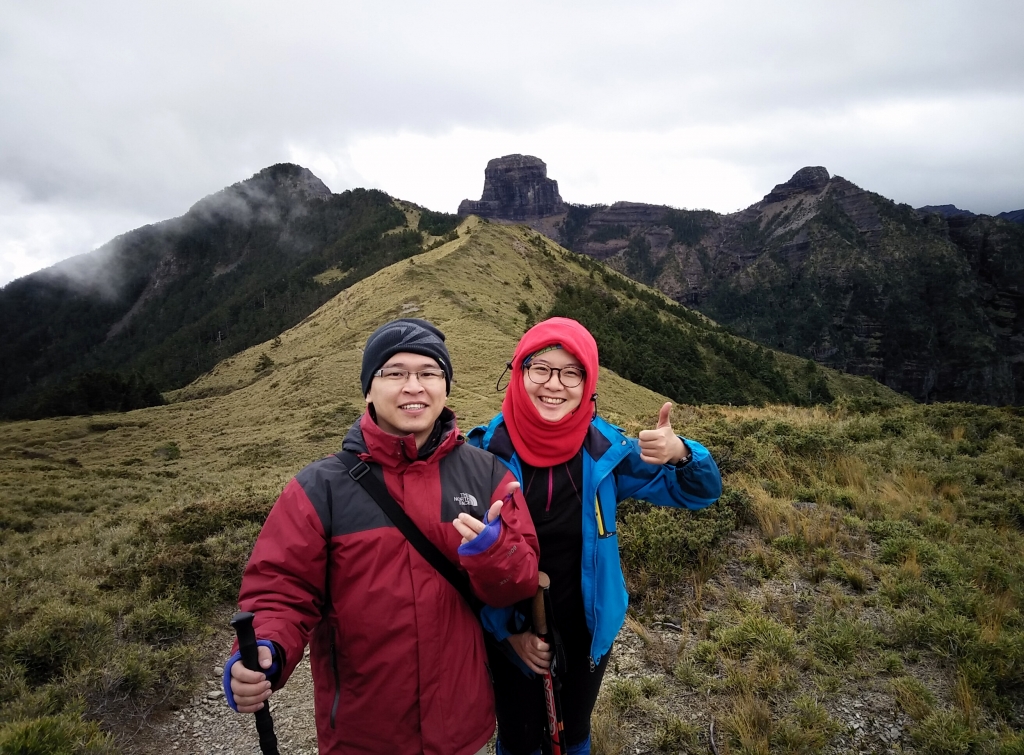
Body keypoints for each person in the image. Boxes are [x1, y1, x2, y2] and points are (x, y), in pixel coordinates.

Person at [224, 318, 539, 755]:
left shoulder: (487, 474)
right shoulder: (321, 488)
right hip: (363, 731)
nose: (414, 386)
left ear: (445, 387)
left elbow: (522, 581)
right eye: (395, 373)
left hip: (460, 723)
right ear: (368, 390)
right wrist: (267, 648)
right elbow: (282, 589)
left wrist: (494, 554)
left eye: (429, 373)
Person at [467, 317, 722, 755]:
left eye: (571, 372)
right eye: (541, 368)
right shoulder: (483, 454)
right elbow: (463, 560)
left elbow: (700, 493)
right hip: (511, 632)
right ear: (518, 372)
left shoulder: (606, 451)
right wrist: (508, 634)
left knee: (575, 733)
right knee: (520, 736)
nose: (555, 384)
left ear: (588, 382)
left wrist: (682, 453)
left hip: (588, 626)